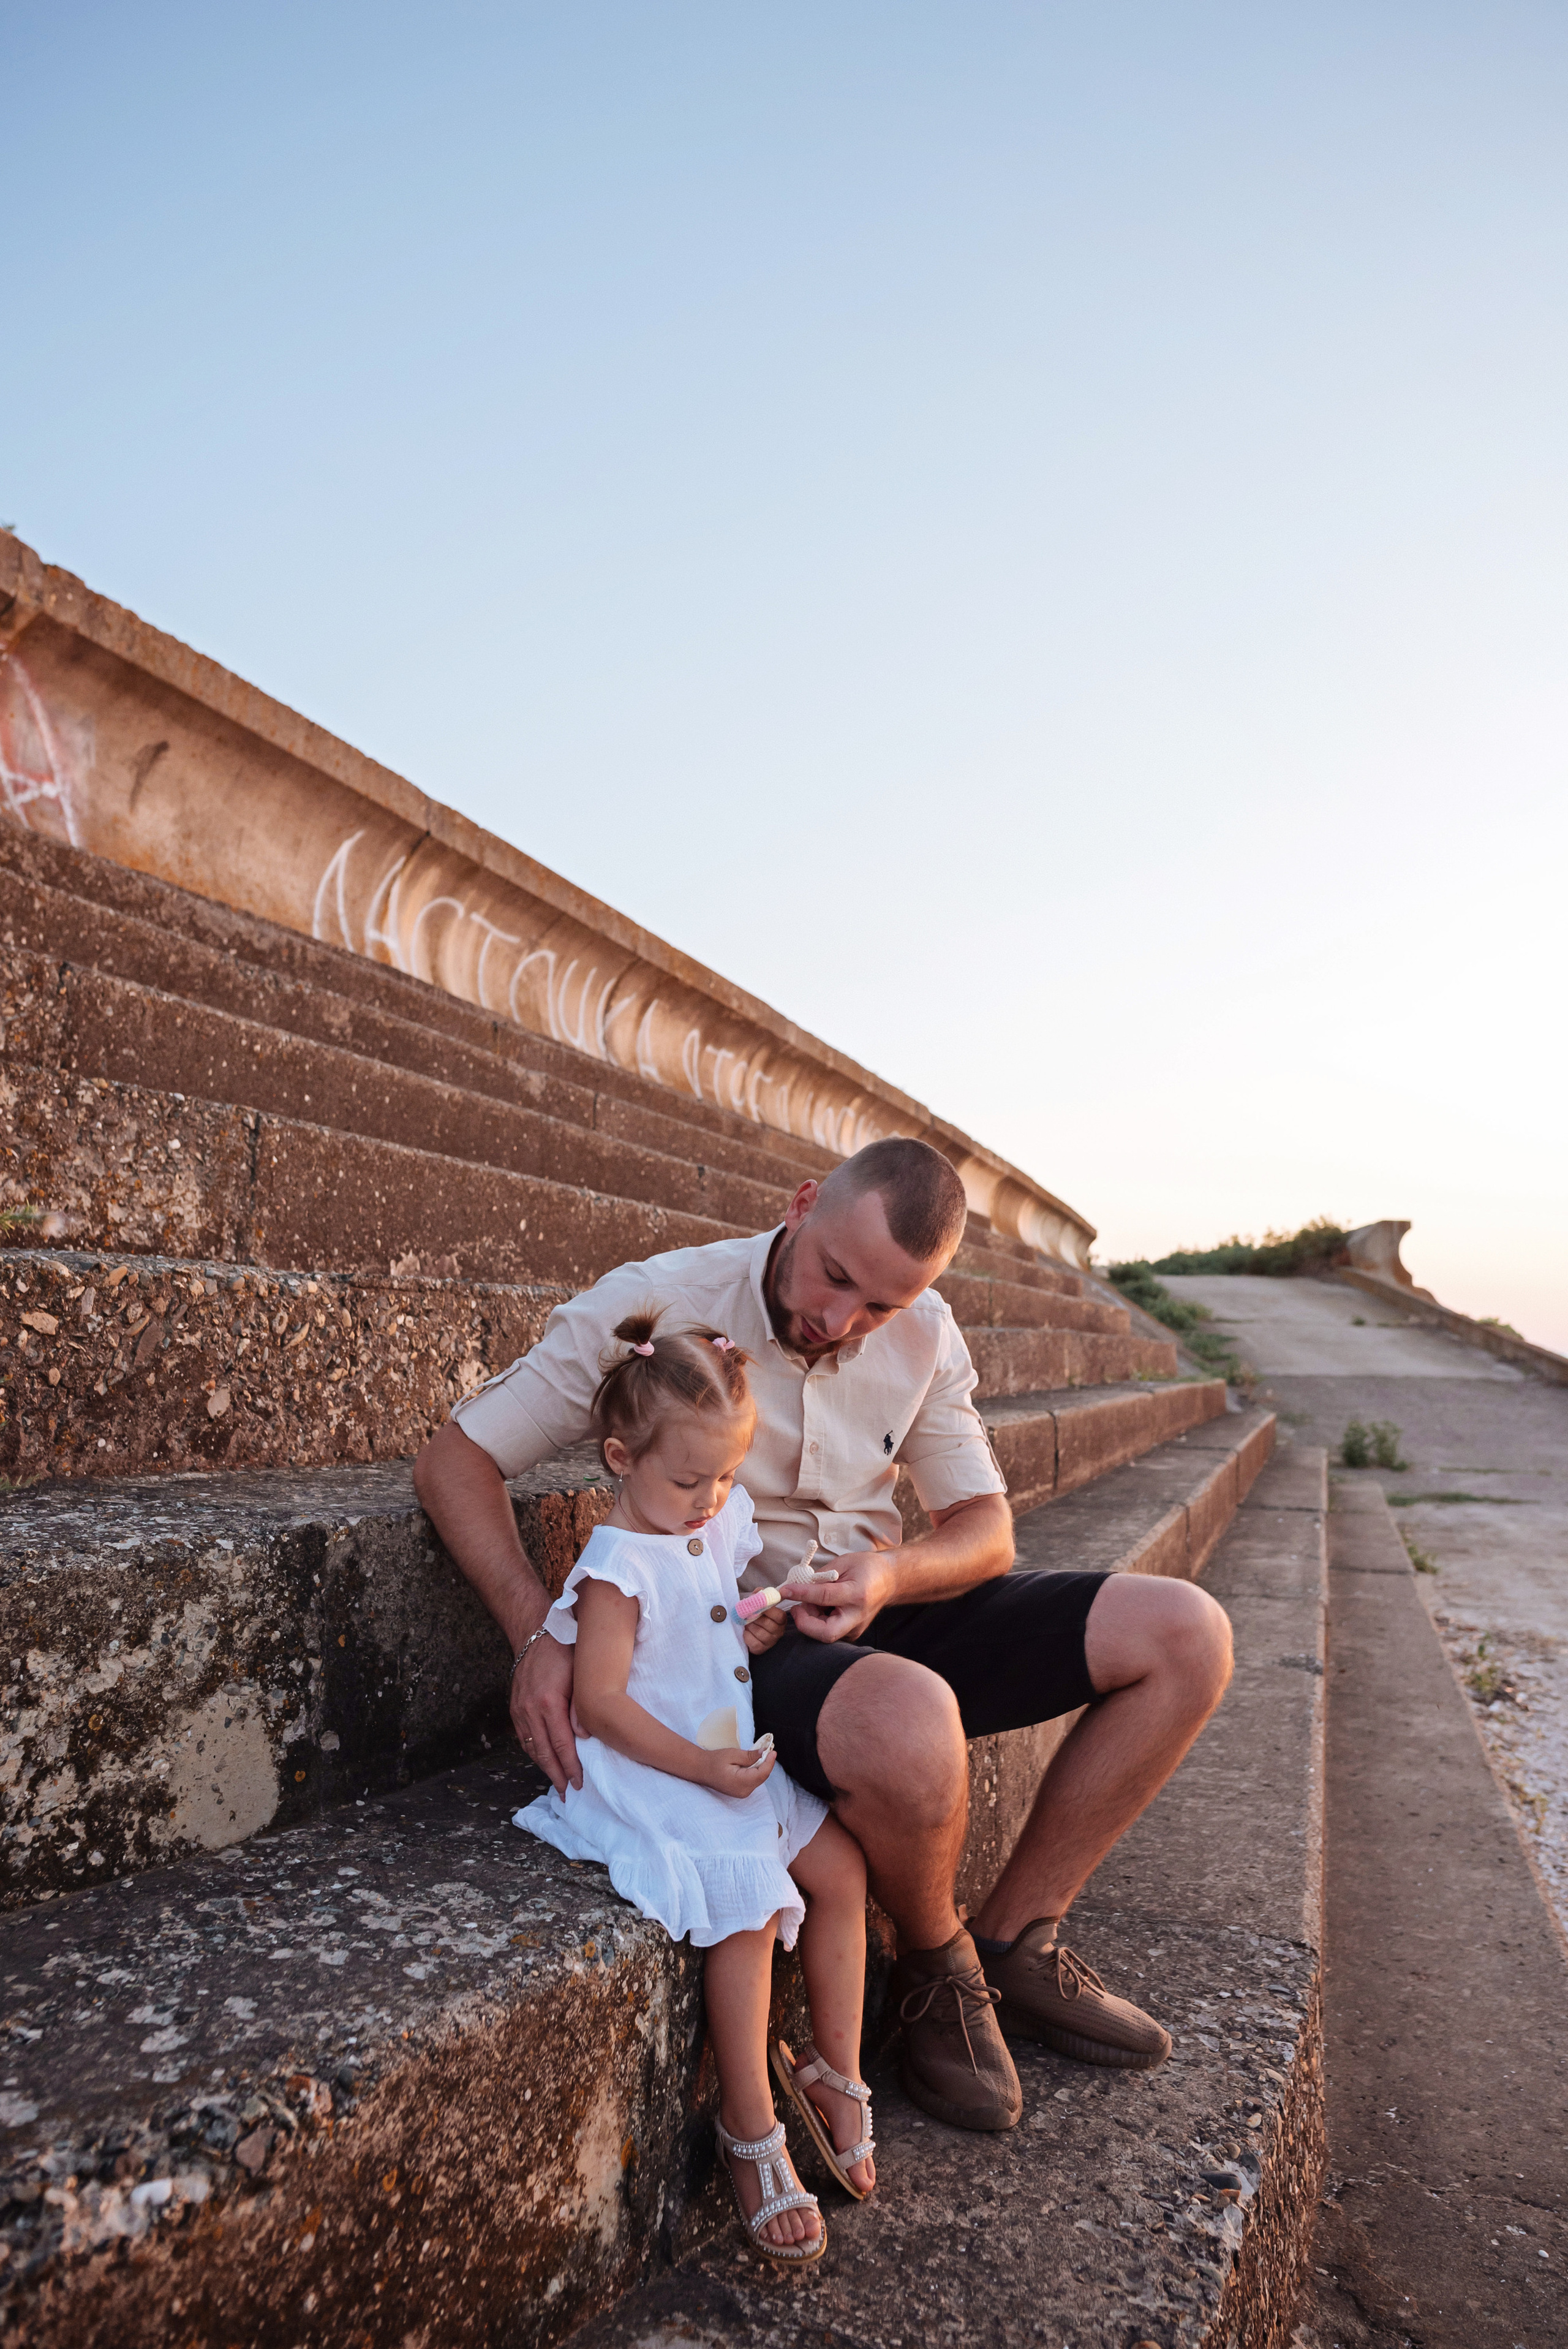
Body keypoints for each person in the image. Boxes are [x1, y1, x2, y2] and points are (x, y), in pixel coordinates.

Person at [413, 1135, 1234, 2133]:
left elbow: (986, 1532)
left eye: (879, 1305)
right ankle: (942, 1962)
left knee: (1187, 1633)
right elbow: (456, 1461)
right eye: (835, 1275)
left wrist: (890, 1572)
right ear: (803, 1203)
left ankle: (1021, 1932)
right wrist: (538, 1626)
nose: (841, 1320)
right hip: (743, 1641)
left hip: (880, 1598)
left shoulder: (925, 1331)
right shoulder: (661, 1299)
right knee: (908, 1715)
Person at [515, 1309, 875, 2266]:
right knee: (751, 1908)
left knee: (838, 1865)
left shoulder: (704, 1527)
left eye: (726, 1476)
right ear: (621, 1456)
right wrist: (703, 1768)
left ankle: (837, 2068)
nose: (711, 1498)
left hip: (723, 1754)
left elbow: (715, 1628)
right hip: (659, 1769)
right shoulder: (616, 1566)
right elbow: (600, 1703)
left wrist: (752, 1631)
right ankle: (748, 2128)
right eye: (688, 1479)